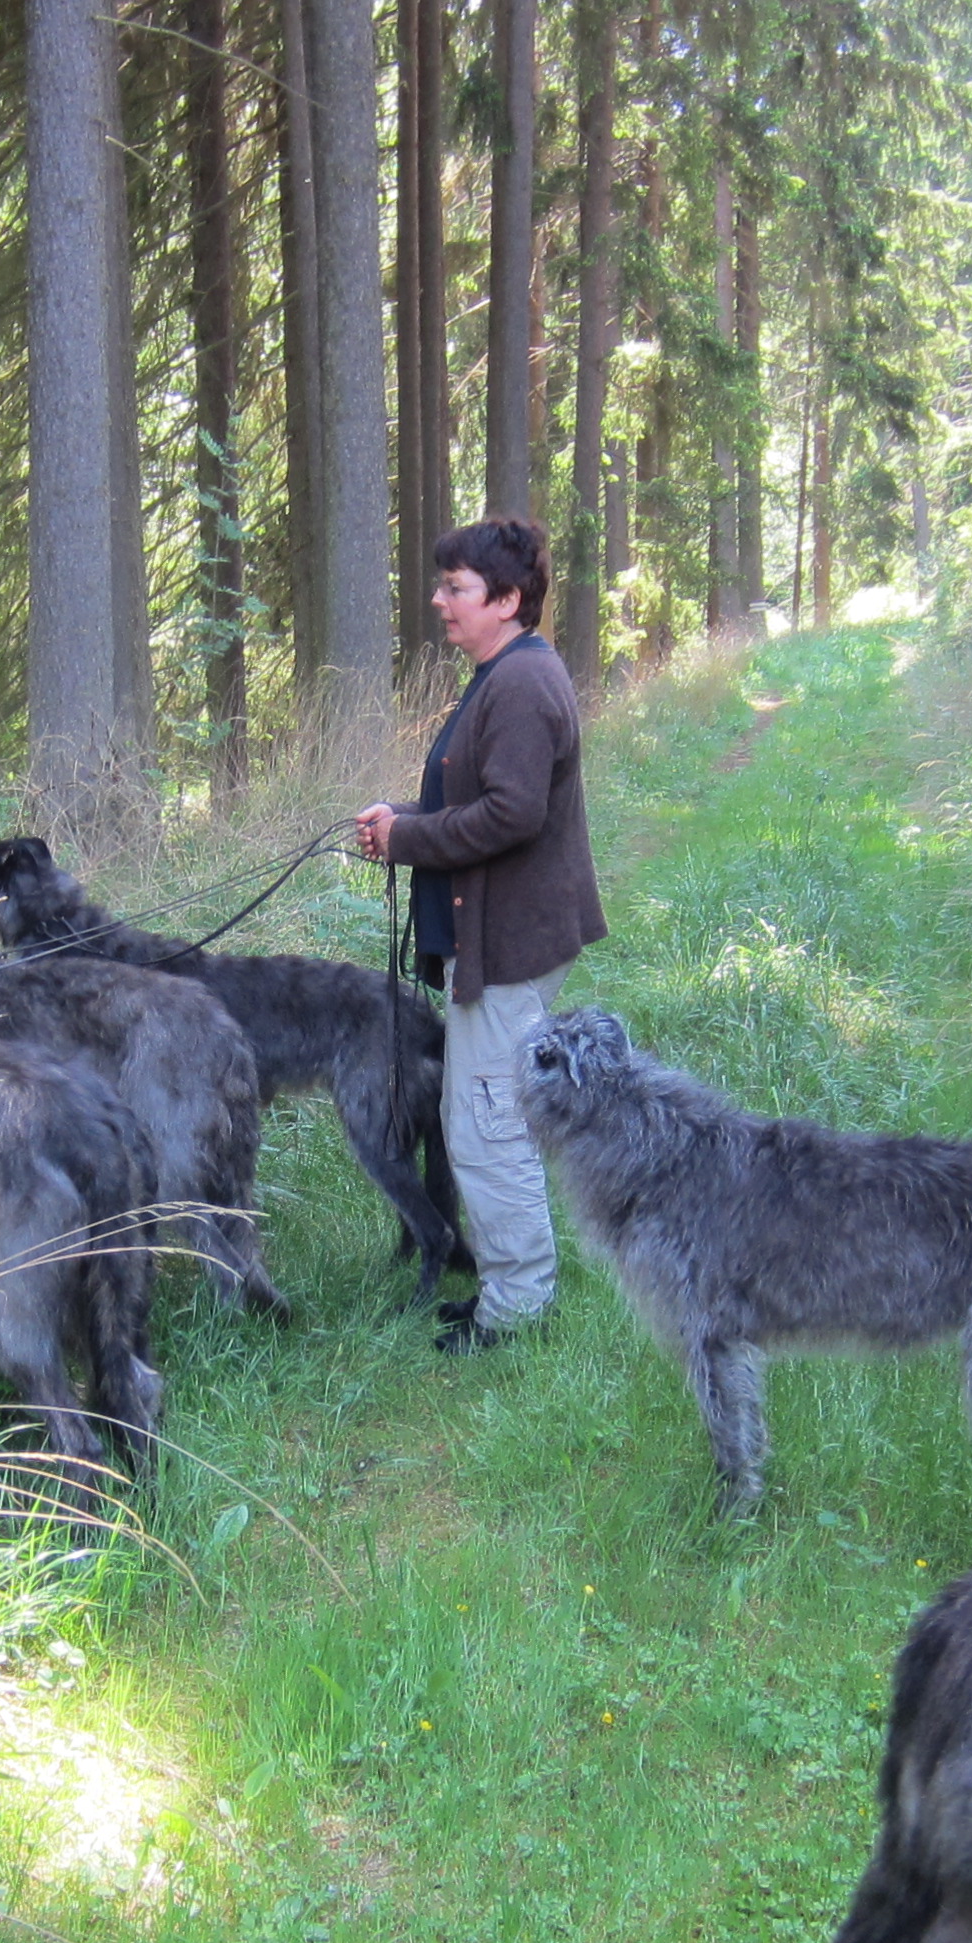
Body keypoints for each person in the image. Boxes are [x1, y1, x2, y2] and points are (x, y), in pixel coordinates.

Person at [353, 519, 607, 1351]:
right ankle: (510, 1285)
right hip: (501, 938)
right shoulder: (505, 673)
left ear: (506, 599)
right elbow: (479, 798)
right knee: (483, 1118)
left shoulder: (522, 684)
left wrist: (408, 838)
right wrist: (402, 818)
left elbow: (512, 814)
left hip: (510, 944)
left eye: (455, 587)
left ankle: (518, 1306)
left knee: (489, 1126)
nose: (439, 600)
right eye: (443, 585)